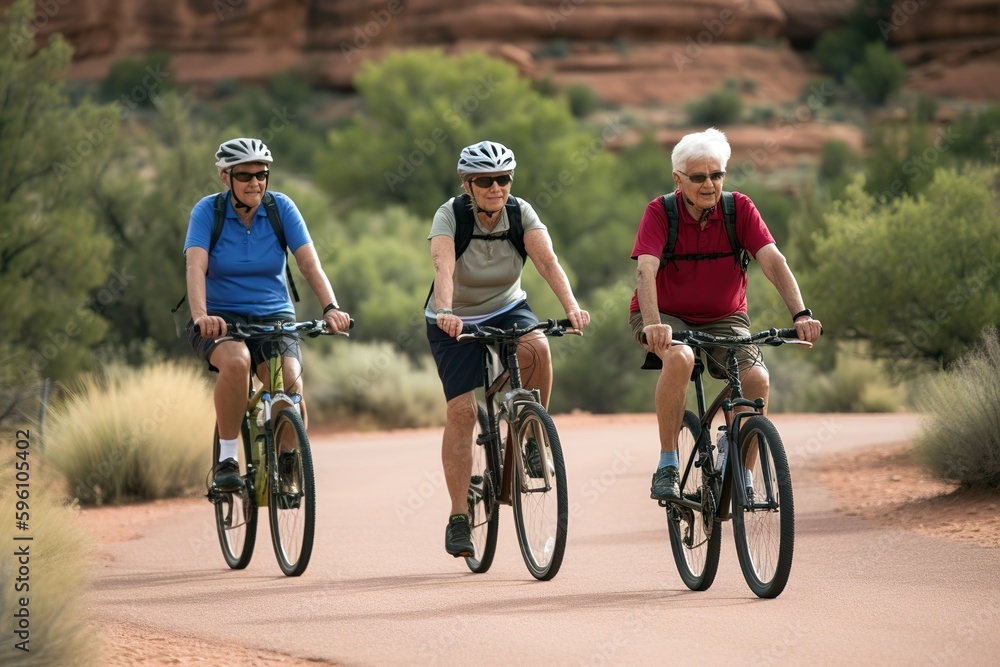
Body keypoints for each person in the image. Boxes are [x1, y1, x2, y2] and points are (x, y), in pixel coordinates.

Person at [629, 128, 822, 501]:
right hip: (665, 315)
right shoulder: (659, 212)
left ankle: (741, 473)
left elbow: (773, 261)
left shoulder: (739, 209)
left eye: (717, 175)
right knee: (681, 357)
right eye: (699, 177)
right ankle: (668, 461)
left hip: (726, 317)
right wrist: (654, 324)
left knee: (757, 380)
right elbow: (645, 271)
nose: (709, 185)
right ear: (678, 179)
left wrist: (801, 313)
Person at [427, 140, 590, 558]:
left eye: (503, 179)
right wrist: (445, 310)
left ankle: (532, 437)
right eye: (485, 181)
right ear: (468, 185)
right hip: (455, 317)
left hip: (507, 307)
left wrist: (571, 308)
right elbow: (443, 266)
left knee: (537, 349)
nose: (496, 187)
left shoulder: (521, 212)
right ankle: (459, 516)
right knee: (462, 411)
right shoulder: (450, 215)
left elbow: (548, 262)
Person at [184, 137, 352, 491]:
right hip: (220, 317)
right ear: (224, 177)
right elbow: (196, 267)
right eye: (245, 175)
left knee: (289, 381)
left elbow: (308, 263)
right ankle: (228, 458)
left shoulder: (280, 208)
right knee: (237, 361)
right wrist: (202, 315)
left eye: (262, 174)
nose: (255, 183)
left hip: (273, 315)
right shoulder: (207, 212)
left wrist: (331, 307)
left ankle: (288, 461)